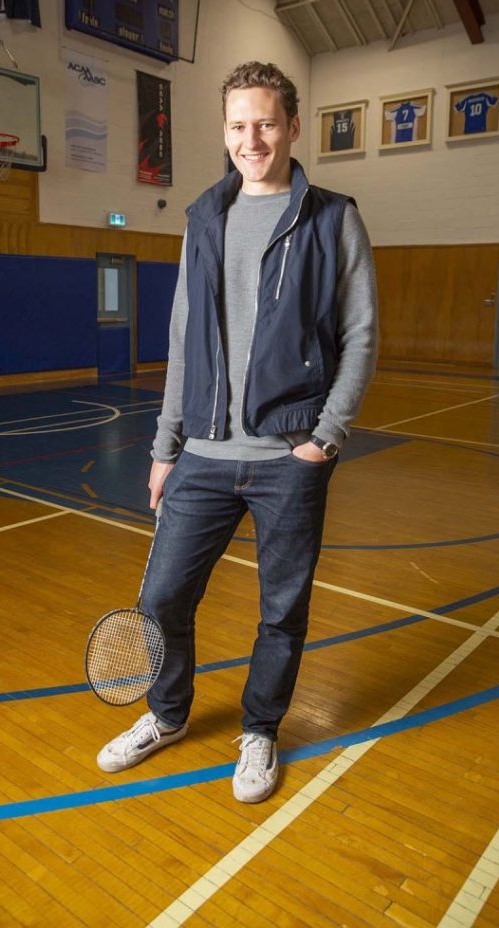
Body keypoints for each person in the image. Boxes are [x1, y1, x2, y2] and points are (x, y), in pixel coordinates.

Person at [97, 61, 378, 803]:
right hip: (201, 457)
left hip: (289, 457)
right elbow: (184, 336)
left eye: (263, 122)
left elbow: (360, 334)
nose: (249, 138)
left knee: (280, 612)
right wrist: (165, 450)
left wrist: (324, 439)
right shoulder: (202, 217)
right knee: (161, 601)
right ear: (223, 133)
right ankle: (165, 714)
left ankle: (259, 732)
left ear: (290, 126)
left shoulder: (331, 216)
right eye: (236, 124)